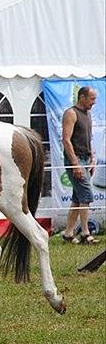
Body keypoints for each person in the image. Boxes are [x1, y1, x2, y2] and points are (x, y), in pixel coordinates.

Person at [62, 86, 100, 245]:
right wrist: (75, 164)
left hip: (85, 159)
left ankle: (68, 233)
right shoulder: (71, 113)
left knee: (78, 199)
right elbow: (66, 140)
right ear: (82, 97)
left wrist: (92, 158)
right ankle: (85, 233)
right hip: (75, 160)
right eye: (92, 98)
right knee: (86, 196)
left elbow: (88, 138)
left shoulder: (88, 114)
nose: (94, 102)